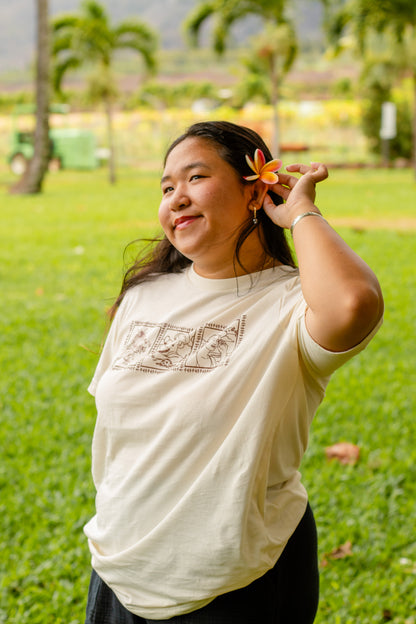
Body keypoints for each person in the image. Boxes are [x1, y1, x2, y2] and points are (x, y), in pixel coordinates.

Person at [84, 121, 383, 624]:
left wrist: (302, 212)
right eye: (166, 186)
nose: (176, 198)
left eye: (196, 177)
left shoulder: (294, 302)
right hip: (121, 568)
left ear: (255, 191)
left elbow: (354, 303)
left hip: (236, 578)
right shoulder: (141, 298)